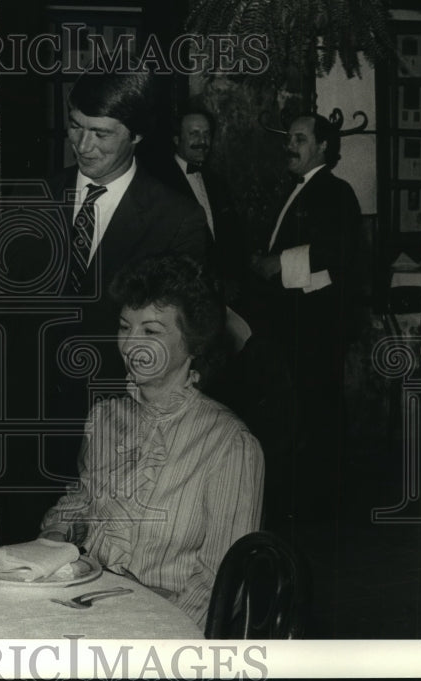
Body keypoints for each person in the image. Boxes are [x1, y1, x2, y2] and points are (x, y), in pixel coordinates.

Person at [0, 70, 211, 543]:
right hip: (24, 438)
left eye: (102, 133)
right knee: (19, 568)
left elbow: (176, 347)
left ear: (137, 135)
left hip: (121, 441)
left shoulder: (176, 220)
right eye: (76, 126)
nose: (83, 144)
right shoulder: (28, 202)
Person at [39, 253, 264, 629]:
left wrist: (147, 629)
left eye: (151, 332)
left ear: (193, 343)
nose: (130, 346)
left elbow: (223, 585)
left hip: (164, 637)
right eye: (125, 327)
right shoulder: (104, 418)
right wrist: (55, 535)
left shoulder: (229, 444)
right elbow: (82, 501)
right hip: (84, 612)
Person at [246, 113, 362, 521]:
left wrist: (277, 262)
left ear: (323, 147)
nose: (289, 145)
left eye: (299, 138)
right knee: (301, 412)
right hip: (293, 321)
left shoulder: (337, 191)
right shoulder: (295, 189)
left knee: (321, 410)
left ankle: (326, 504)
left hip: (318, 322)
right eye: (289, 138)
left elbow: (339, 251)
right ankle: (310, 497)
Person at [142, 100, 246, 301]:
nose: (202, 140)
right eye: (194, 134)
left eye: (206, 134)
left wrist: (231, 280)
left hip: (219, 292)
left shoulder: (217, 183)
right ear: (176, 138)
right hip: (178, 291)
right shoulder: (158, 183)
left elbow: (232, 237)